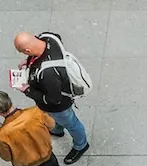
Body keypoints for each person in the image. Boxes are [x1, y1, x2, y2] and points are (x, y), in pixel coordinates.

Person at [13, 31, 91, 159]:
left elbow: (53, 100)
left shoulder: (49, 74)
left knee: (71, 123)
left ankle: (81, 145)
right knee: (55, 119)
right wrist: (28, 62)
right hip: (56, 101)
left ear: (27, 50)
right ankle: (57, 130)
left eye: (24, 52)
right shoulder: (48, 37)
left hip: (59, 106)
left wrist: (27, 90)